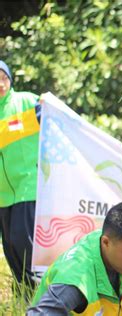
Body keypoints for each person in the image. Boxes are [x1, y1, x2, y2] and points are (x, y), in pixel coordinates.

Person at [0, 60, 40, 296]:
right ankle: (24, 299)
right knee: (10, 250)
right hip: (3, 194)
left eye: (3, 77)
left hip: (28, 186)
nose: (0, 83)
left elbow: (52, 114)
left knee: (24, 244)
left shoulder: (25, 101)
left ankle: (43, 299)